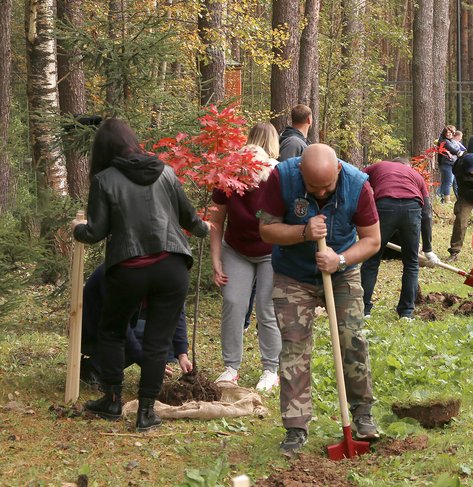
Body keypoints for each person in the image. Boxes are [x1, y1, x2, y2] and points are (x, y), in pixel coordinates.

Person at [73, 118, 210, 432]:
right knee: (157, 342)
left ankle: (111, 400)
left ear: (103, 150)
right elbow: (191, 219)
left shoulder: (105, 179)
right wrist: (205, 228)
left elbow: (95, 232)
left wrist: (76, 231)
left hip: (130, 269)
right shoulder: (166, 171)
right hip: (172, 267)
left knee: (112, 331)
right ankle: (146, 414)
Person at [257, 144, 381, 453]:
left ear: (338, 170)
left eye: (327, 186)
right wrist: (303, 232)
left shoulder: (357, 184)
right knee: (295, 347)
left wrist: (339, 260)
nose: (322, 192)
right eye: (314, 187)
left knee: (353, 338)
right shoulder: (282, 177)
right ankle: (295, 428)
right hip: (293, 274)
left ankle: (363, 416)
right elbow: (266, 231)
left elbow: (373, 240)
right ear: (301, 171)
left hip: (341, 270)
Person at [209, 122, 282, 391]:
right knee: (233, 302)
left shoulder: (277, 176)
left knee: (266, 307)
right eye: (245, 176)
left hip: (270, 251)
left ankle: (270, 369)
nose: (249, 181)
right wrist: (216, 259)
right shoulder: (228, 174)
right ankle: (231, 367)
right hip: (236, 249)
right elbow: (216, 219)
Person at [81, 265, 192, 389]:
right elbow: (120, 326)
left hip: (118, 326)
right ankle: (94, 367)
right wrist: (146, 362)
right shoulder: (118, 272)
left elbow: (175, 312)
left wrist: (183, 354)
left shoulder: (164, 272)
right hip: (92, 331)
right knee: (149, 339)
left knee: (165, 335)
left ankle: (152, 375)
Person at [361, 158, 440, 319]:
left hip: (384, 206)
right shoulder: (415, 175)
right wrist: (428, 249)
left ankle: (363, 310)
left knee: (371, 261)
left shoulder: (379, 166)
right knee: (411, 264)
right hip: (412, 209)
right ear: (407, 166)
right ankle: (406, 313)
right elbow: (426, 213)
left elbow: (357, 180)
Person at [436, 125, 460, 203]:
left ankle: (440, 196)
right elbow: (454, 150)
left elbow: (456, 149)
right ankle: (446, 199)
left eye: (451, 133)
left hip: (452, 163)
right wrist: (454, 152)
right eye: (448, 133)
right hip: (446, 163)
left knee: (449, 181)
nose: (449, 134)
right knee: (448, 181)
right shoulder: (444, 141)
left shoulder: (451, 141)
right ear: (445, 133)